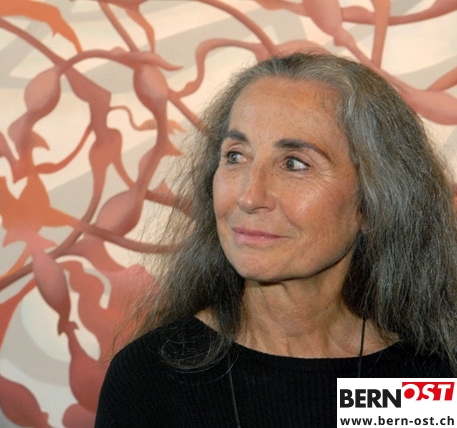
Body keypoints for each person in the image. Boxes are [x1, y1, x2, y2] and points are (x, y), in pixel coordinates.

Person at [94, 52, 457, 427]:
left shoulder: (427, 382)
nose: (249, 196)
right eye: (236, 156)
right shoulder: (154, 379)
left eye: (294, 163)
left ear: (373, 201)